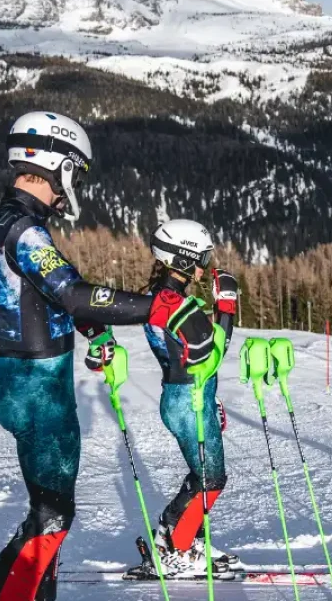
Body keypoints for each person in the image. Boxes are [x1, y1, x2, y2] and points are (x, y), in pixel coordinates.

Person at [0, 112, 222, 601]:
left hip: (23, 375)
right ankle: (11, 591)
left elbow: (44, 295)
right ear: (57, 162)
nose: (74, 185)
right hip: (36, 385)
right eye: (76, 171)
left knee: (49, 509)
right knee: (52, 514)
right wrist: (160, 305)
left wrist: (92, 330)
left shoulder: (4, 222)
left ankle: (11, 584)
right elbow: (71, 293)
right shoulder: (23, 230)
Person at [137, 219, 240, 578]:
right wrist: (226, 309)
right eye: (201, 258)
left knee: (204, 476)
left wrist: (210, 402)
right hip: (188, 399)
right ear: (181, 259)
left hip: (192, 397)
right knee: (212, 480)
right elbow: (210, 355)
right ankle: (175, 549)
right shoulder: (172, 304)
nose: (205, 266)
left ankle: (176, 536)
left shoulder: (168, 299)